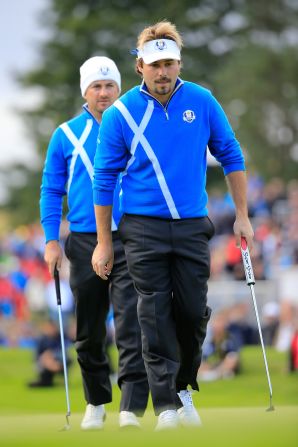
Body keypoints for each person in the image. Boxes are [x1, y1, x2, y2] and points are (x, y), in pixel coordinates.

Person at [92, 21, 254, 431]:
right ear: (140, 68)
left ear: (178, 62)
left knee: (191, 311)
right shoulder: (121, 113)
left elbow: (231, 154)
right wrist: (103, 243)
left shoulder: (201, 100)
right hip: (142, 228)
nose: (162, 72)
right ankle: (166, 404)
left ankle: (182, 387)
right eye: (154, 65)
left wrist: (243, 216)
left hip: (190, 225)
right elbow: (104, 179)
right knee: (154, 313)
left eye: (169, 63)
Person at [40, 56, 149, 430]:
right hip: (84, 240)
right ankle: (96, 402)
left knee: (132, 323)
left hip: (130, 236)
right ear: (85, 91)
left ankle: (130, 408)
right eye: (97, 86)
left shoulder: (135, 127)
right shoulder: (65, 134)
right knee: (89, 330)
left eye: (110, 86)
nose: (104, 93)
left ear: (120, 88)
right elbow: (52, 190)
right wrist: (51, 241)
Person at [28, 319, 72, 388]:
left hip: (58, 361)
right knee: (42, 366)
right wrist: (47, 360)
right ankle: (45, 381)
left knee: (66, 359)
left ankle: (61, 380)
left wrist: (52, 357)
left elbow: (64, 351)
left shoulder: (61, 337)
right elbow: (36, 356)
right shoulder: (41, 339)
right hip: (44, 363)